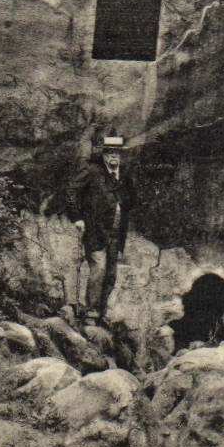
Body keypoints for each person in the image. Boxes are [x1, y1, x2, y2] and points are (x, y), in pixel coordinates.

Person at [67, 134, 139, 322]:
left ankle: (101, 311)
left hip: (116, 233)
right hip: (95, 230)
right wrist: (77, 218)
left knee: (111, 274)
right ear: (104, 156)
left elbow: (131, 200)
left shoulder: (123, 174)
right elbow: (72, 191)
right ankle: (90, 312)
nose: (114, 157)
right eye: (110, 153)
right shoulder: (92, 171)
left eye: (117, 154)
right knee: (98, 270)